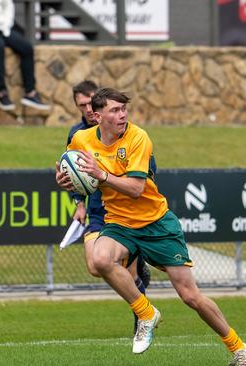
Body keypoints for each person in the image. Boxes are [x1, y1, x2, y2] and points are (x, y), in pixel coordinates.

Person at [63, 88, 246, 365]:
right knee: (100, 259)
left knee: (190, 296)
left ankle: (239, 349)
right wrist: (64, 178)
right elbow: (71, 170)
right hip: (119, 222)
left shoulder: (138, 137)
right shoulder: (81, 139)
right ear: (96, 115)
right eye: (114, 111)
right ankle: (146, 312)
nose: (122, 115)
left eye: (123, 109)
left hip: (156, 224)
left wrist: (102, 175)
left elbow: (136, 188)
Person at [55, 80, 151, 334]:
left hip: (127, 211)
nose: (86, 109)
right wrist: (77, 201)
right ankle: (139, 279)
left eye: (89, 103)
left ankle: (142, 316)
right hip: (98, 209)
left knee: (120, 270)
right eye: (81, 106)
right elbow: (71, 172)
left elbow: (139, 178)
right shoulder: (77, 135)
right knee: (94, 266)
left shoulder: (129, 135)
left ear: (98, 105)